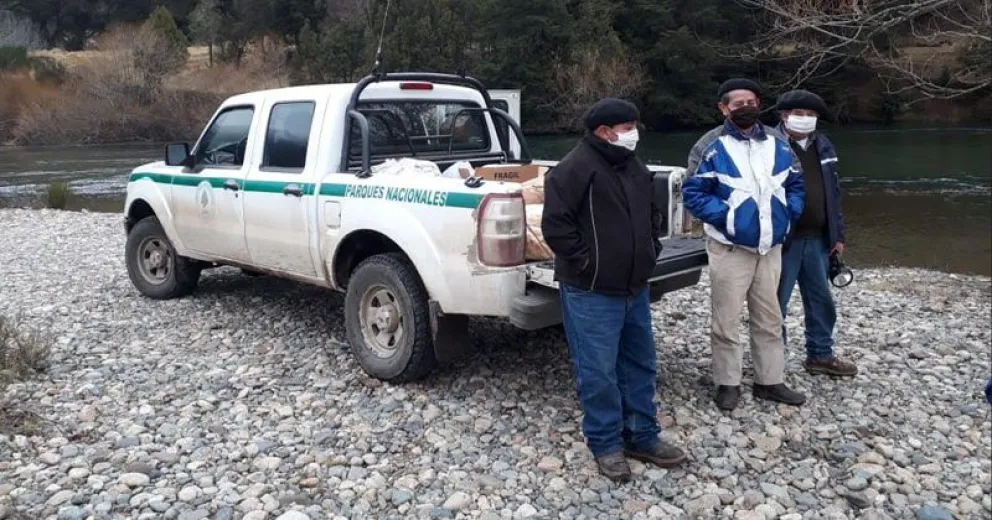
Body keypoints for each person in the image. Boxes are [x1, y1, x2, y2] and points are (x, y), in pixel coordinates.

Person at [542, 98, 686, 482]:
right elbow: (556, 228)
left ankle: (642, 435)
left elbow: (652, 212)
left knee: (640, 363)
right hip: (591, 290)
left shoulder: (633, 165)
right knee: (598, 371)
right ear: (604, 132)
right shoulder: (572, 170)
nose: (633, 132)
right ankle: (606, 444)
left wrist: (651, 250)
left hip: (634, 287)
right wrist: (589, 262)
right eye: (627, 126)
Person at [682, 79, 808, 412]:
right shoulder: (710, 145)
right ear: (723, 108)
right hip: (730, 248)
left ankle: (770, 380)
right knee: (726, 320)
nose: (746, 107)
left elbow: (795, 183)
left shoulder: (779, 143)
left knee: (770, 316)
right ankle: (728, 382)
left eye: (752, 101)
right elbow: (692, 192)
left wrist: (789, 214)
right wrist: (727, 218)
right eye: (738, 103)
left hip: (771, 247)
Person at [771, 89, 858, 377]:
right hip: (782, 240)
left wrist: (838, 235)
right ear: (784, 116)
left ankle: (820, 354)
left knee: (821, 300)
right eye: (799, 114)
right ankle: (772, 362)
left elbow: (833, 194)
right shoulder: (769, 144)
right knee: (775, 303)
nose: (805, 120)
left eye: (811, 115)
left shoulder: (824, 145)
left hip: (819, 238)